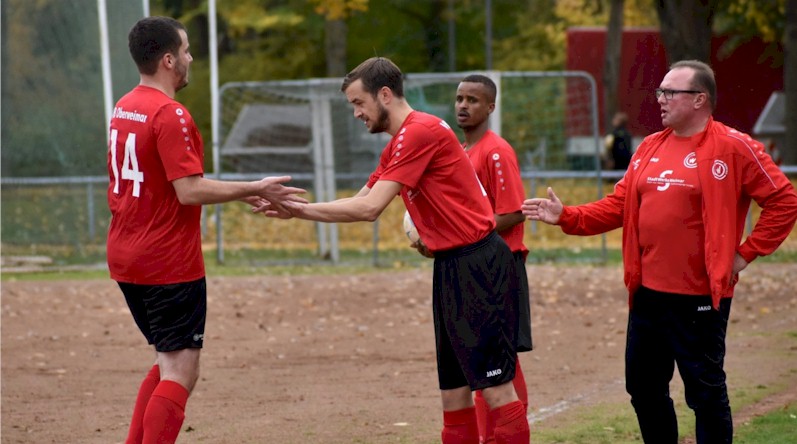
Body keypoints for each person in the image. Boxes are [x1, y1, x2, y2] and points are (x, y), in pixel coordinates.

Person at [521, 60, 797, 443]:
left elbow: (784, 201)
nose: (661, 100)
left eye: (670, 92)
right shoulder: (650, 146)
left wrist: (746, 253)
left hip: (700, 297)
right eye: (660, 91)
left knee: (705, 394)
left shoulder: (735, 146)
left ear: (700, 99)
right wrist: (567, 216)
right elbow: (619, 205)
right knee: (644, 388)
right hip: (647, 295)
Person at [259, 57, 530, 443]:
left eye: (358, 103)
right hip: (452, 267)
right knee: (454, 393)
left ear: (384, 95)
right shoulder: (401, 142)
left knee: (494, 387)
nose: (356, 113)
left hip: (478, 265)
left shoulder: (420, 132)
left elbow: (370, 210)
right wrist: (298, 210)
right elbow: (361, 198)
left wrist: (301, 211)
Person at [107, 16, 306, 444]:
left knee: (166, 360)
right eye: (185, 50)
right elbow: (189, 191)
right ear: (167, 60)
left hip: (127, 254)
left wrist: (235, 193)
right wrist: (256, 186)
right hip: (167, 261)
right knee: (180, 368)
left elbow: (172, 182)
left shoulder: (125, 105)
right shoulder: (170, 113)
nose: (190, 58)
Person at [454, 74, 532, 444]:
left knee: (501, 361)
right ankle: (491, 436)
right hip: (473, 266)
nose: (463, 106)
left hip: (501, 266)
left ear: (490, 107)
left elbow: (514, 212)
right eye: (459, 99)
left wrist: (460, 235)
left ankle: (509, 434)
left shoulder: (495, 150)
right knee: (482, 358)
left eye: (473, 99)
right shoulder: (463, 152)